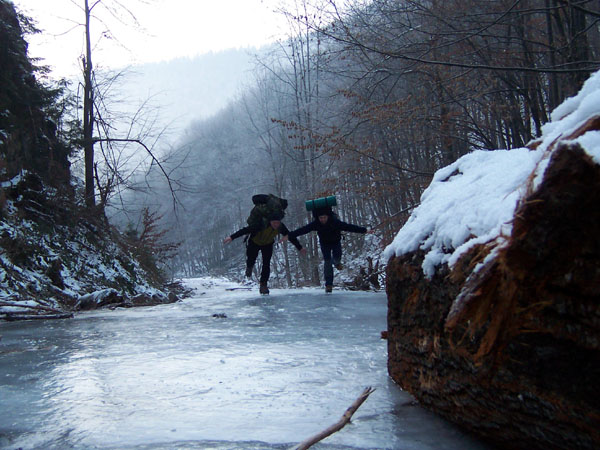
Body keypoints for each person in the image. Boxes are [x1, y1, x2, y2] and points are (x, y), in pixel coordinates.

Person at [288, 206, 371, 293]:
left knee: (337, 257)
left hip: (336, 242)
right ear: (318, 218)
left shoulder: (335, 222)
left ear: (328, 216)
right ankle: (328, 285)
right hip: (325, 244)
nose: (322, 219)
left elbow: (349, 227)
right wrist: (290, 235)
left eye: (324, 217)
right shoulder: (316, 224)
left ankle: (337, 263)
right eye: (321, 218)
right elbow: (304, 229)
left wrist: (364, 230)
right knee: (327, 262)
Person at [223, 211, 306, 294]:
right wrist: (232, 237)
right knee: (251, 259)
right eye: (274, 223)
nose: (276, 225)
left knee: (266, 264)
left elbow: (290, 236)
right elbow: (245, 230)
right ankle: (249, 266)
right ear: (270, 221)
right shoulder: (260, 224)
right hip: (254, 242)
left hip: (267, 244)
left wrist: (300, 247)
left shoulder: (281, 227)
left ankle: (263, 285)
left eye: (278, 223)